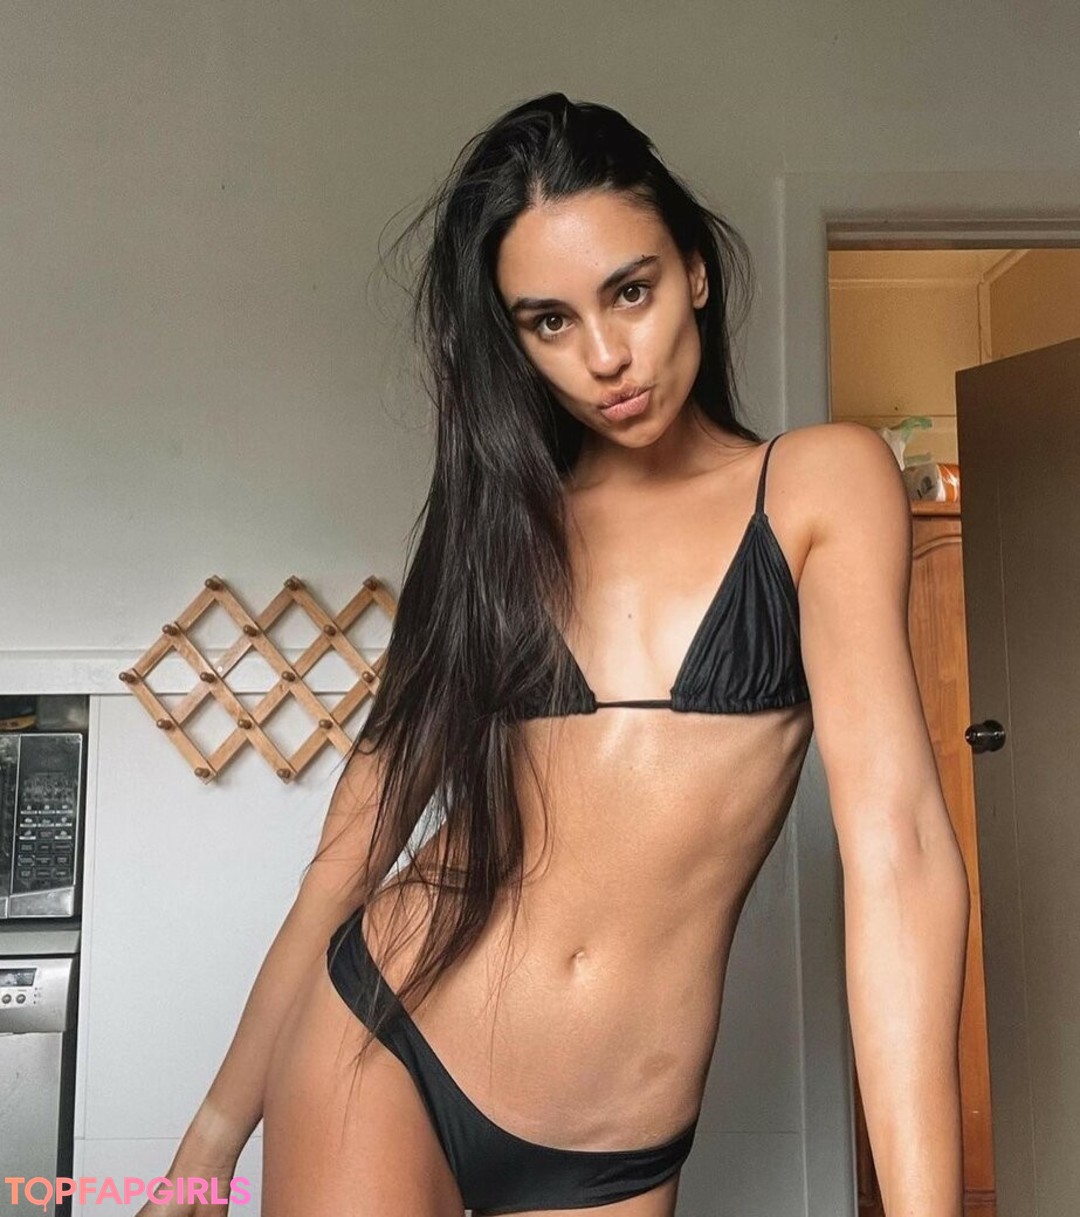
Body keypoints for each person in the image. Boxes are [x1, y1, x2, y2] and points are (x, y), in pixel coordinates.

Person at [141, 94, 970, 1217]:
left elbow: (899, 851)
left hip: (617, 1134)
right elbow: (347, 860)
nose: (605, 357)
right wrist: (203, 1152)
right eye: (549, 321)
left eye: (629, 290)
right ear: (515, 339)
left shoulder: (820, 484)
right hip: (389, 1040)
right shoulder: (496, 530)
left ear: (694, 272)